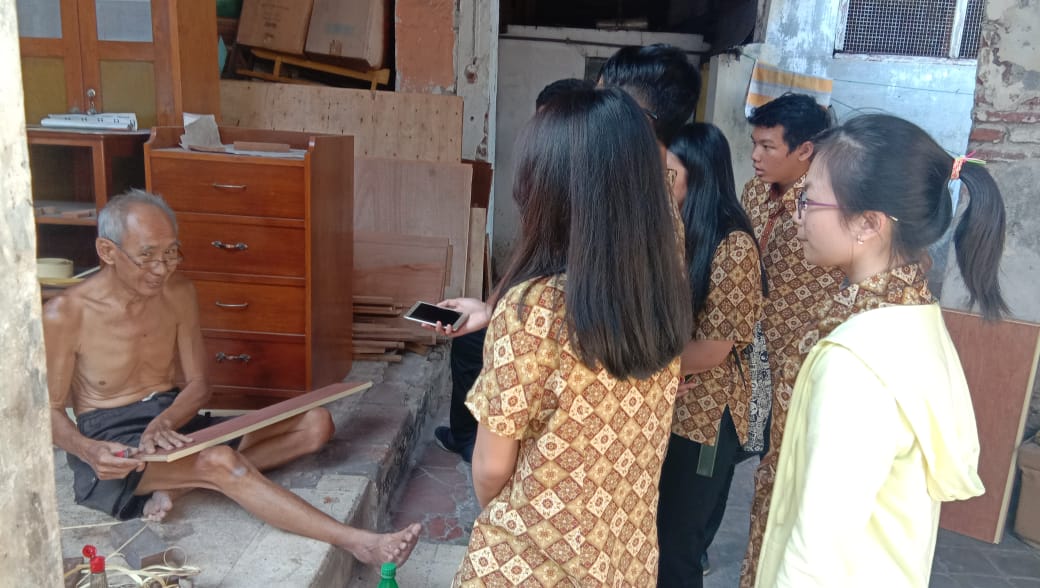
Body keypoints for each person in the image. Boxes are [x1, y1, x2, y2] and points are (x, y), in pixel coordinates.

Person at [45, 190, 420, 567]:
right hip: (116, 444)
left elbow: (198, 385)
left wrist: (164, 422)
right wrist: (87, 451)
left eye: (170, 253)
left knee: (316, 423)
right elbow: (50, 412)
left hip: (173, 422)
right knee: (221, 461)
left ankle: (179, 483)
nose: (161, 269)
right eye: (146, 256)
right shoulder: (65, 314)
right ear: (108, 252)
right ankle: (359, 542)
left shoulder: (177, 292)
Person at [452, 87, 693, 585]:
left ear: (548, 186)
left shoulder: (534, 308)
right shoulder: (661, 294)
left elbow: (491, 469)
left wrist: (521, 524)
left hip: (533, 565)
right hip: (626, 557)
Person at [754, 113, 1003, 586]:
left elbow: (817, 550)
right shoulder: (914, 315)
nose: (798, 213)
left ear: (868, 223)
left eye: (808, 199)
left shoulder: (856, 362)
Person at [431, 44, 700, 337]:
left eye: (598, 102)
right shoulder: (606, 179)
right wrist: (491, 307)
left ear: (637, 118)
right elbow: (541, 246)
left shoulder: (648, 205)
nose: (588, 114)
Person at [433, 78, 595, 464]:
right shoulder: (549, 193)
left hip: (568, 322)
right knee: (469, 339)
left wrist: (508, 315)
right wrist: (489, 307)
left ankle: (490, 442)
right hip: (535, 311)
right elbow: (529, 255)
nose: (537, 141)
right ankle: (464, 435)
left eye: (546, 128)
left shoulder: (593, 199)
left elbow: (490, 479)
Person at [737, 93, 841, 587]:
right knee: (740, 457)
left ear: (804, 151)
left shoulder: (831, 203)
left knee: (787, 469)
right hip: (747, 355)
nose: (756, 157)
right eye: (754, 145)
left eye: (766, 147)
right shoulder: (754, 194)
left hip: (800, 362)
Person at [656, 123, 766, 587]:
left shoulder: (733, 245)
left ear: (699, 176)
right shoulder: (676, 228)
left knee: (680, 546)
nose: (661, 184)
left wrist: (642, 370)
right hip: (671, 402)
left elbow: (714, 349)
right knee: (660, 535)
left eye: (669, 174)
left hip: (706, 419)